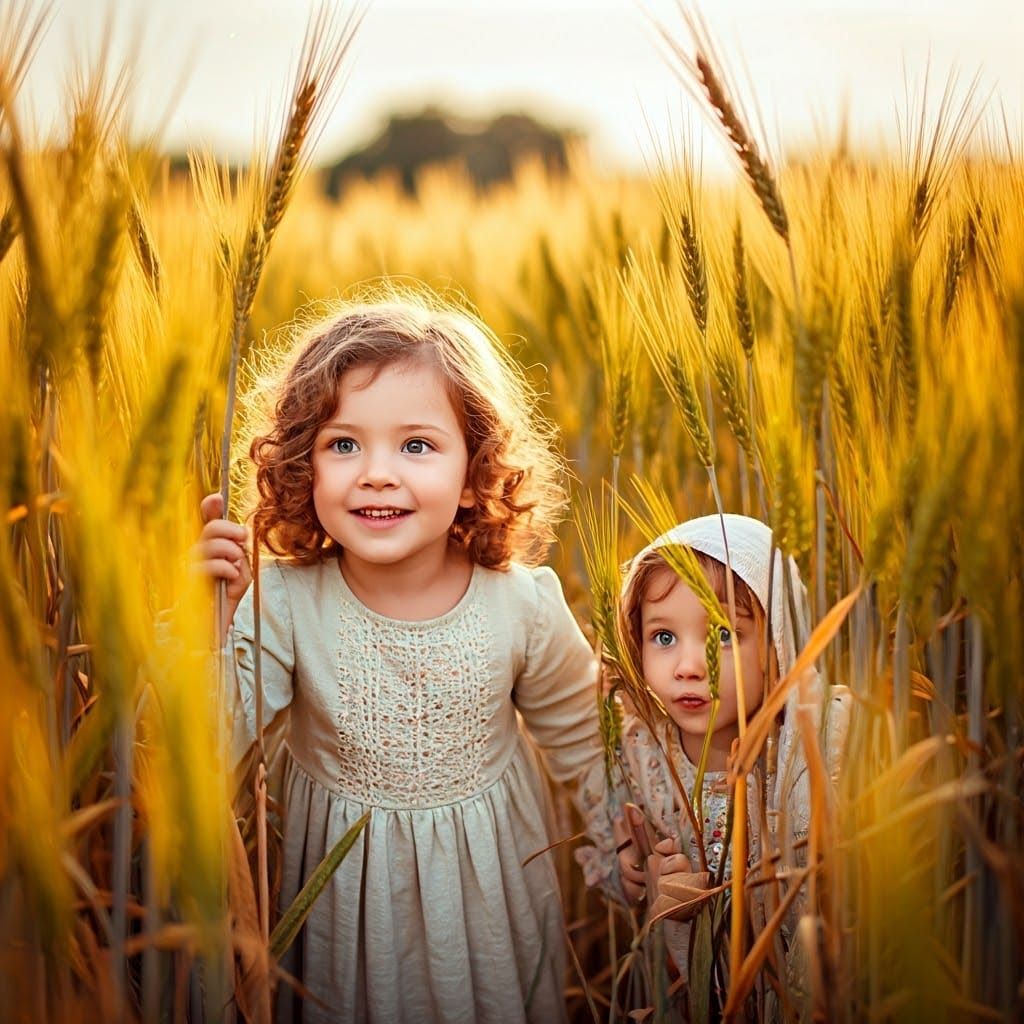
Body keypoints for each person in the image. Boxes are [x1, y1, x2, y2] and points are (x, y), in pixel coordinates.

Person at [196, 289, 604, 1024]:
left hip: (491, 897)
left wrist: (630, 849)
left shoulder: (522, 605)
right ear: (300, 465)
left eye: (416, 445)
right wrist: (211, 630)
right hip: (338, 901)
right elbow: (206, 747)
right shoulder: (285, 602)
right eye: (342, 444)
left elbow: (586, 743)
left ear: (476, 467)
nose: (376, 473)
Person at [575, 513, 850, 996]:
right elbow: (623, 876)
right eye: (663, 637)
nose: (687, 667)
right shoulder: (642, 754)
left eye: (723, 635)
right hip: (695, 995)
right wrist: (645, 878)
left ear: (780, 644)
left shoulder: (812, 750)